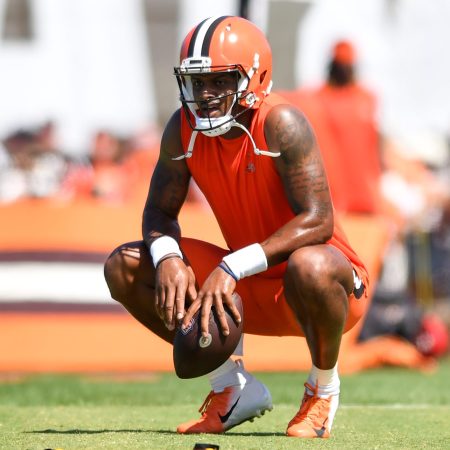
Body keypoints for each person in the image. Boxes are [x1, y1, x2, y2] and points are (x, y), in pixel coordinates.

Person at [104, 16, 369, 439]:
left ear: (254, 77)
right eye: (196, 82)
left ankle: (323, 389)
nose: (204, 95)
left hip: (322, 286)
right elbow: (158, 213)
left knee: (311, 266)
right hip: (247, 284)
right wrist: (168, 255)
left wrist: (231, 267)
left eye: (219, 82)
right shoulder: (183, 128)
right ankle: (231, 388)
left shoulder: (281, 122)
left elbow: (319, 221)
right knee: (126, 266)